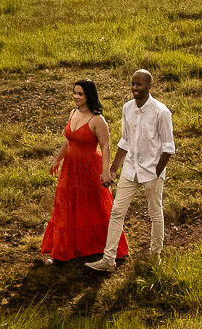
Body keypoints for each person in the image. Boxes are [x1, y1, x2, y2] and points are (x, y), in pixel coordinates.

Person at [87, 69, 173, 271]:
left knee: (155, 213)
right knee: (117, 212)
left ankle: (155, 255)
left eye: (139, 85)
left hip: (152, 171)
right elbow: (124, 142)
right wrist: (113, 169)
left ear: (149, 86)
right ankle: (108, 260)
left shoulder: (161, 112)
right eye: (133, 84)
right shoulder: (127, 108)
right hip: (130, 169)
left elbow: (168, 148)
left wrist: (157, 172)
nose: (135, 88)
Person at [40, 80, 128, 264]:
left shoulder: (97, 120)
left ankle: (103, 246)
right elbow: (69, 140)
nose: (76, 97)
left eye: (80, 94)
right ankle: (65, 248)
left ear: (89, 96)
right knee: (66, 204)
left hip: (89, 168)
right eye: (74, 93)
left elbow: (105, 146)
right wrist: (58, 158)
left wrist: (106, 172)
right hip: (70, 168)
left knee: (94, 204)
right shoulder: (73, 113)